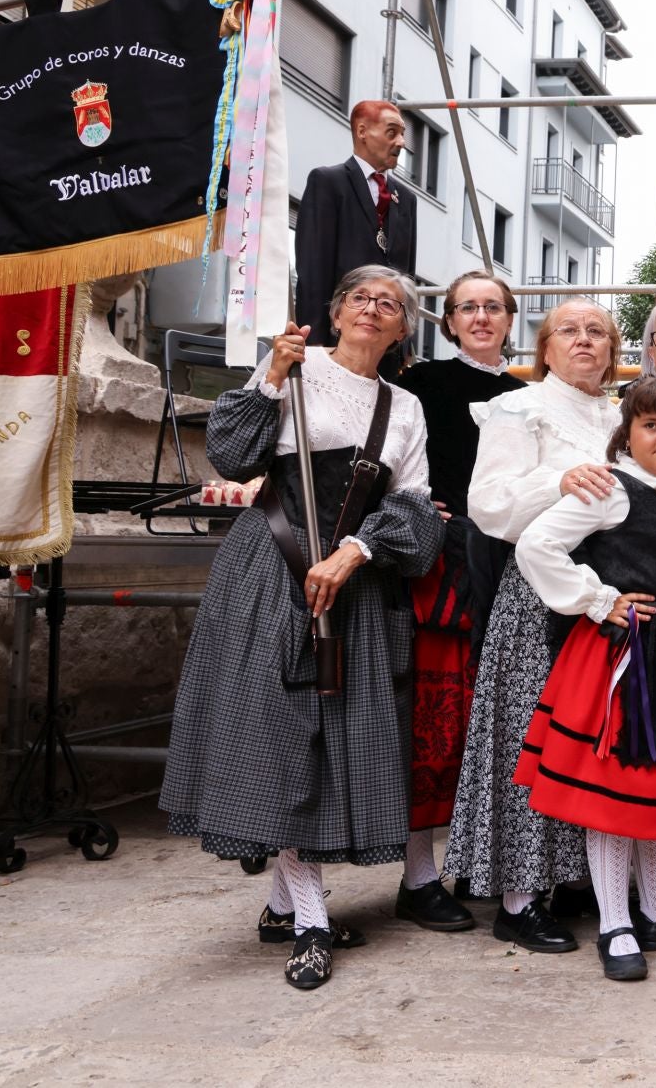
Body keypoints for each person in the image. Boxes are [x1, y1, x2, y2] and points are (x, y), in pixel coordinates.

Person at [160, 265, 443, 990]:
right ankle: (311, 921)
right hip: (268, 571)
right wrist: (269, 378)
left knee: (329, 738)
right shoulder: (295, 366)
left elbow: (413, 510)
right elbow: (232, 455)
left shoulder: (404, 408)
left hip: (348, 580)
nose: (372, 310)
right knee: (282, 736)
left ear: (403, 327)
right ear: (336, 311)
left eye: (389, 304)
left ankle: (284, 903)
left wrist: (354, 552)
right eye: (359, 298)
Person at [512, 377, 656, 981]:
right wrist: (597, 599)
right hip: (628, 660)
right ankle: (616, 922)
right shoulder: (612, 490)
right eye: (650, 425)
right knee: (617, 798)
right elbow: (537, 545)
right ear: (627, 432)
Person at [443, 299, 624, 953]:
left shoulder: (621, 415)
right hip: (536, 593)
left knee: (588, 737)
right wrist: (559, 480)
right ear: (545, 349)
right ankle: (519, 899)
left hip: (605, 591)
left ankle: (576, 878)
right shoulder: (519, 407)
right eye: (568, 331)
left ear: (612, 349)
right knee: (529, 738)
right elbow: (487, 504)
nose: (583, 340)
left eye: (597, 332)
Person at [392, 271, 525, 934]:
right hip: (444, 566)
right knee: (436, 726)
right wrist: (416, 507)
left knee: (497, 724)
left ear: (509, 318)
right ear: (448, 321)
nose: (480, 316)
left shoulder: (529, 397)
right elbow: (391, 461)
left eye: (491, 306)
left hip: (513, 566)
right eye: (467, 307)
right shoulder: (421, 384)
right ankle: (419, 875)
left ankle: (479, 860)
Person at [294, 101, 418, 374]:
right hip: (335, 340)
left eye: (403, 134)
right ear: (362, 131)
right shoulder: (328, 182)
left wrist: (404, 342)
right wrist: (314, 344)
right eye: (392, 132)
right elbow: (313, 270)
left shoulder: (406, 199)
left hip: (386, 343)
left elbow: (407, 275)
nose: (401, 142)